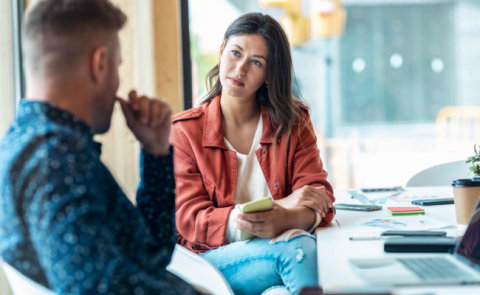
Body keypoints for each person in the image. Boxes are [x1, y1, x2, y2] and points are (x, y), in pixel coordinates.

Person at [0, 0, 197, 294]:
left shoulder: (36, 144)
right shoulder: (55, 160)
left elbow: (150, 254)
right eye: (117, 66)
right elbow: (97, 288)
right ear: (100, 64)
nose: (118, 82)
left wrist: (155, 151)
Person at [170, 13, 335, 295]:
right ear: (222, 52)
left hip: (273, 257)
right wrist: (282, 208)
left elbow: (320, 200)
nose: (240, 68)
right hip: (209, 262)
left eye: (256, 62)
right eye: (236, 53)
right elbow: (190, 220)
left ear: (269, 74)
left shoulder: (293, 122)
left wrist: (283, 218)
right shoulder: (185, 131)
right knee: (299, 249)